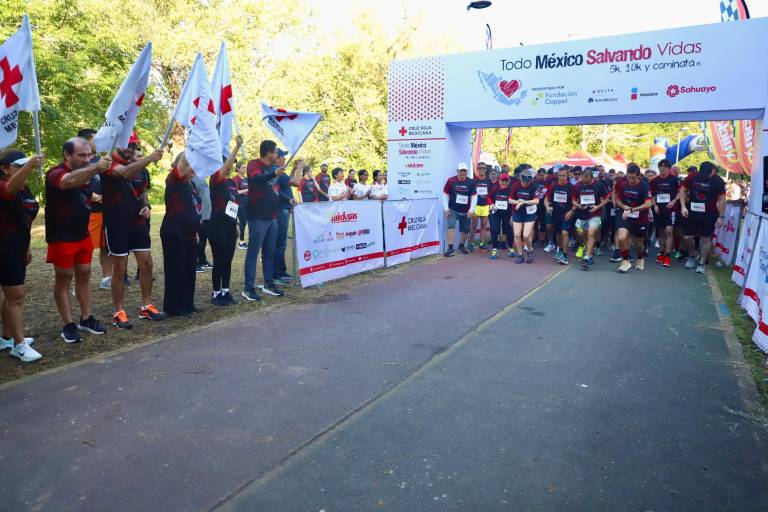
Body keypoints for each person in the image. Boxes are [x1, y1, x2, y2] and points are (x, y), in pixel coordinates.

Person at [46, 137, 110, 343]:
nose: (87, 159)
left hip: (81, 233)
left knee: (84, 273)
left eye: (89, 155)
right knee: (64, 278)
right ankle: (68, 324)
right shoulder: (55, 173)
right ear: (67, 155)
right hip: (61, 235)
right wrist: (94, 168)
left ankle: (86, 318)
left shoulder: (87, 174)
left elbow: (87, 191)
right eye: (82, 155)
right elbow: (69, 181)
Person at [101, 141, 166, 328]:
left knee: (147, 264)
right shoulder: (108, 164)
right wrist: (149, 158)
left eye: (132, 148)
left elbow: (142, 194)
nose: (129, 151)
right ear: (117, 147)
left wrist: (146, 206)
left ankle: (146, 306)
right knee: (120, 270)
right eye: (125, 147)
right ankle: (118, 311)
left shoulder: (142, 171)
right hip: (117, 224)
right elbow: (124, 173)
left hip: (138, 223)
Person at [0, 151, 45, 362]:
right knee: (16, 296)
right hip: (4, 249)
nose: (24, 167)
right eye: (18, 165)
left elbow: (24, 221)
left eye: (25, 164)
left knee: (11, 297)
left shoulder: (25, 188)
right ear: (5, 168)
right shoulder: (4, 186)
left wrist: (26, 247)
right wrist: (29, 166)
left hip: (18, 247)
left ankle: (7, 338)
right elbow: (9, 190)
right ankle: (19, 347)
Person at [242, 140, 285, 301]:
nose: (277, 155)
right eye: (276, 152)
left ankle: (269, 283)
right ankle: (248, 288)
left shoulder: (272, 168)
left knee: (269, 252)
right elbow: (257, 180)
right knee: (253, 252)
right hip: (257, 216)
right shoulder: (254, 164)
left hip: (272, 216)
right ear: (268, 152)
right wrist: (274, 174)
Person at [161, 153, 201, 316]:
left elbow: (194, 208)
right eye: (189, 164)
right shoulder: (174, 179)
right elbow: (183, 163)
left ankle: (187, 303)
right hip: (174, 232)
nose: (193, 168)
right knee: (176, 270)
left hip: (189, 232)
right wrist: (191, 146)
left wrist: (196, 230)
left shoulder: (191, 184)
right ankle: (174, 307)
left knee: (189, 269)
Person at [209, 137, 244, 306]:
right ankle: (216, 293)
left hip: (230, 225)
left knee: (228, 260)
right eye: (228, 164)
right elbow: (227, 166)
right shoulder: (215, 178)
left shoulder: (231, 182)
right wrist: (236, 146)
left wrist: (236, 224)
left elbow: (234, 203)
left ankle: (226, 291)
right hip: (217, 225)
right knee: (219, 259)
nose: (231, 166)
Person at [78, 128, 113, 290]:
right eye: (94, 139)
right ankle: (79, 281)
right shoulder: (77, 161)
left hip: (106, 211)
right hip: (88, 211)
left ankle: (107, 278)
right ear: (84, 141)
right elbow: (73, 182)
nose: (98, 142)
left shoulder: (101, 159)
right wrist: (92, 195)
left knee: (106, 246)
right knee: (86, 247)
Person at [680, 161, 726, 274]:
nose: (706, 176)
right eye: (703, 174)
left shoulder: (718, 181)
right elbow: (683, 190)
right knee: (687, 237)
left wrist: (721, 216)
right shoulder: (692, 176)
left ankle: (701, 262)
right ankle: (692, 255)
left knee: (706, 239)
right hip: (692, 211)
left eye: (708, 174)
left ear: (713, 172)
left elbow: (722, 199)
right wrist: (682, 206)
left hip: (709, 214)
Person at [614, 163, 653, 273]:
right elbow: (618, 200)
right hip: (625, 216)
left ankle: (640, 258)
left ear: (639, 175)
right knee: (621, 238)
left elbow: (648, 204)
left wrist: (632, 209)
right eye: (628, 177)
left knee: (639, 244)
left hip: (640, 218)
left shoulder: (644, 186)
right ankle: (625, 261)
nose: (630, 180)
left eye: (633, 177)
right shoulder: (623, 185)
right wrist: (623, 206)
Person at [570, 167, 609, 270]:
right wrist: (578, 206)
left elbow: (606, 199)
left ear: (592, 178)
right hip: (581, 213)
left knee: (591, 233)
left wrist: (597, 207)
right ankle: (584, 248)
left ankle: (587, 257)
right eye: (584, 181)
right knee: (581, 233)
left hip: (595, 213)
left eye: (587, 182)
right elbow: (573, 200)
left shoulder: (599, 185)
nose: (585, 184)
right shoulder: (577, 186)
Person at [273, 151, 302, 283]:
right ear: (277, 159)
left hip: (283, 209)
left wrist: (295, 168)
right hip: (281, 210)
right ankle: (277, 273)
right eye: (283, 156)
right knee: (280, 243)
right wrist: (301, 167)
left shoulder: (279, 173)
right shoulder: (276, 171)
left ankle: (281, 270)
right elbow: (296, 183)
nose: (285, 158)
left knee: (282, 242)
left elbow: (287, 184)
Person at [442, 162, 477, 257]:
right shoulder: (451, 181)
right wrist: (446, 208)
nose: (462, 173)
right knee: (451, 226)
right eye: (461, 171)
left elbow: (474, 197)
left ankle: (461, 247)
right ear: (457, 171)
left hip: (466, 211)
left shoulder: (471, 182)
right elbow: (445, 193)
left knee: (465, 229)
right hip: (452, 210)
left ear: (467, 172)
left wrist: (471, 210)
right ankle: (450, 248)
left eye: (464, 171)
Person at [650, 159, 679, 267]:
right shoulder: (654, 180)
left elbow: (680, 192)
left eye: (665, 166)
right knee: (661, 232)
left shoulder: (674, 179)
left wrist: (674, 201)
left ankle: (668, 255)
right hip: (659, 208)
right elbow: (652, 195)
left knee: (669, 231)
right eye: (660, 166)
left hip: (670, 208)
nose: (662, 168)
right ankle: (661, 253)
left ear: (668, 168)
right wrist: (655, 205)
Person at [544, 167, 574, 265]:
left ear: (568, 176)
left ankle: (565, 256)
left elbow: (576, 202)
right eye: (560, 175)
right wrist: (548, 207)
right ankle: (560, 250)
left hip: (566, 214)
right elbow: (546, 199)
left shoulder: (571, 187)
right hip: (555, 213)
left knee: (565, 232)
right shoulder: (553, 185)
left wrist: (571, 211)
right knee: (557, 233)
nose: (561, 178)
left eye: (564, 176)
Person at [510, 168, 539, 264]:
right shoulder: (515, 185)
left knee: (526, 235)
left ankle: (529, 251)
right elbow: (510, 200)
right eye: (524, 181)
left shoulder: (534, 186)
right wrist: (517, 202)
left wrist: (524, 202)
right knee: (517, 235)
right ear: (520, 179)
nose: (526, 183)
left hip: (529, 212)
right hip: (518, 212)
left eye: (528, 181)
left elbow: (536, 201)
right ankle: (520, 254)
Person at [488, 172, 513, 259]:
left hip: (507, 213)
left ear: (509, 181)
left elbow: (513, 203)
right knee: (495, 229)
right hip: (496, 212)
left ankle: (511, 248)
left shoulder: (511, 190)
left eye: (506, 180)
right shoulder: (495, 189)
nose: (504, 182)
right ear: (499, 181)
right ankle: (495, 249)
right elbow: (488, 197)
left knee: (508, 230)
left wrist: (512, 215)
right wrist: (491, 205)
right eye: (503, 180)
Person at [190, 172, 212, 272]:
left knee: (203, 240)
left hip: (207, 214)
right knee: (197, 240)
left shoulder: (202, 176)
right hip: (200, 215)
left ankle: (203, 260)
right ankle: (195, 262)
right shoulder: (191, 178)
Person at [469, 162, 492, 251]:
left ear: (486, 170)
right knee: (474, 225)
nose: (482, 170)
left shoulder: (488, 181)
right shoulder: (474, 181)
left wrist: (490, 205)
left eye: (483, 168)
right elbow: (470, 193)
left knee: (483, 225)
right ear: (477, 170)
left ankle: (482, 243)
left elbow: (490, 193)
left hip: (485, 206)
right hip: (476, 206)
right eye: (480, 168)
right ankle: (471, 243)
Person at [233, 163, 249, 249]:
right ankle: (241, 242)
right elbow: (236, 192)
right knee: (242, 222)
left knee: (247, 223)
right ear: (238, 169)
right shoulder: (235, 179)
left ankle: (245, 241)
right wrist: (247, 189)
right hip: (240, 203)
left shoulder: (247, 179)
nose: (245, 169)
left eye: (245, 168)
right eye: (243, 168)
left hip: (248, 203)